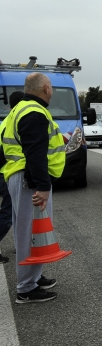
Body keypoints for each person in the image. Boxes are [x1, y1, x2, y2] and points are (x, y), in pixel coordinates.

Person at [3, 74, 65, 303]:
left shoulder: (19, 110)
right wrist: (42, 185)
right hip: (28, 179)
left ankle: (33, 278)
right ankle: (26, 288)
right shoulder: (34, 113)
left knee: (33, 231)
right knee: (29, 232)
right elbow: (35, 153)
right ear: (46, 88)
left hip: (20, 176)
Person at [0, 91, 25, 263]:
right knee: (10, 214)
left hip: (4, 171)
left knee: (12, 213)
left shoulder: (5, 122)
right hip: (7, 173)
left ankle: (20, 246)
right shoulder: (18, 121)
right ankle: (22, 247)